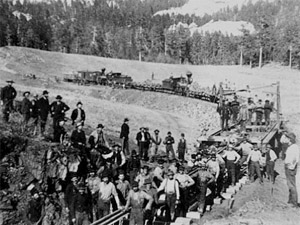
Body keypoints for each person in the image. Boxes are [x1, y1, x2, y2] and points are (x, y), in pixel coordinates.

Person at [281, 132, 300, 207]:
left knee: (292, 185)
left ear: (290, 139)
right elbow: (282, 141)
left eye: (287, 138)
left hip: (290, 167)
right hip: (289, 166)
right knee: (289, 184)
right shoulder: (291, 146)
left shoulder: (294, 147)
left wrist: (291, 166)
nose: (285, 139)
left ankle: (294, 203)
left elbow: (295, 159)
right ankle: (290, 200)